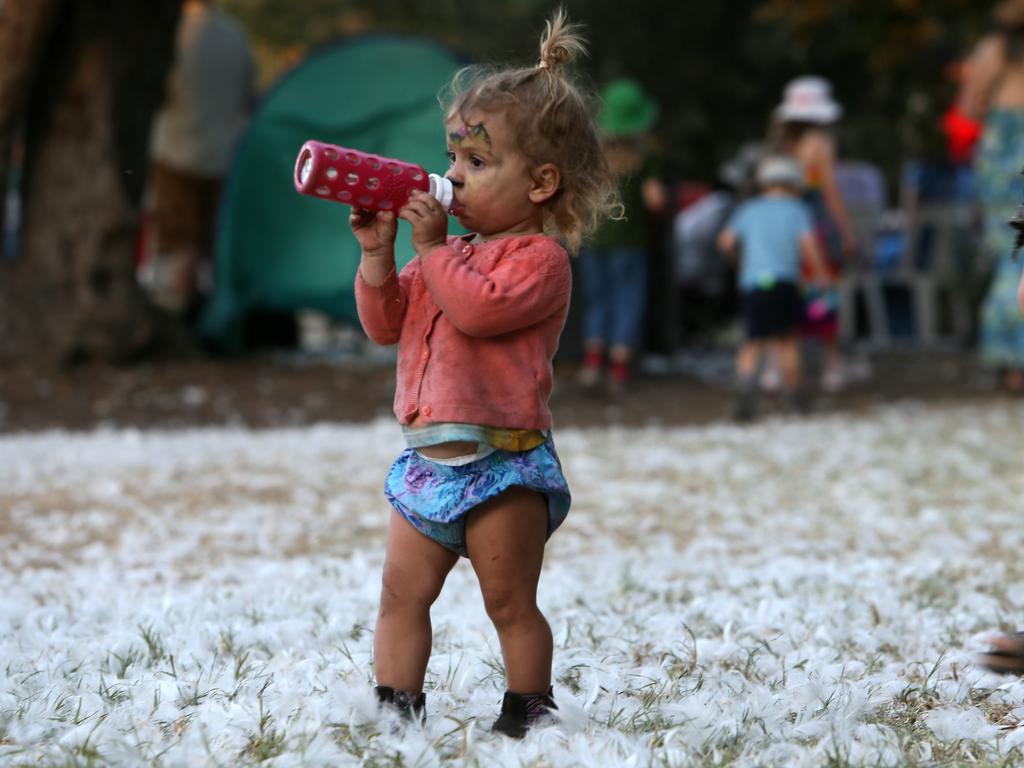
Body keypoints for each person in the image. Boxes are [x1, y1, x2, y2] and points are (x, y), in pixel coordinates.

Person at [350, 11, 617, 737]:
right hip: (426, 460)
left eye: (476, 163)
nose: (452, 177)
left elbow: (476, 313)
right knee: (400, 596)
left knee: (508, 602)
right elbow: (384, 324)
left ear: (540, 182)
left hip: (504, 462)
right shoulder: (447, 252)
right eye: (452, 158)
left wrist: (431, 250)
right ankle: (395, 709)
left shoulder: (540, 261)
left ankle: (528, 710)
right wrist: (379, 256)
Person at [145, 0, 255, 315]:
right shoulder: (235, 36)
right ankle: (208, 312)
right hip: (222, 156)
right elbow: (247, 93)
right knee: (208, 243)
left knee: (178, 240)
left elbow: (157, 91)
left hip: (174, 151)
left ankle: (180, 309)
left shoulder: (173, 33)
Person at [717, 155, 831, 421]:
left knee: (752, 341)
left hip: (753, 282)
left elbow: (725, 241)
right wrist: (822, 273)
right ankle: (795, 397)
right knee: (787, 339)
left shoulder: (748, 209)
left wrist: (742, 263)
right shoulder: (797, 209)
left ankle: (745, 392)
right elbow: (809, 245)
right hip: (784, 282)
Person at [577, 78, 667, 396]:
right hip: (630, 242)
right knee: (627, 299)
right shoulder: (645, 159)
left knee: (597, 300)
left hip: (592, 240)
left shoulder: (591, 157)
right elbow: (655, 200)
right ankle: (618, 367)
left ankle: (591, 364)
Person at [769, 76, 857, 393]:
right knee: (822, 292)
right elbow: (829, 189)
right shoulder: (820, 143)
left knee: (784, 289)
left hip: (782, 228)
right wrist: (846, 231)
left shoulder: (779, 146)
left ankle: (779, 366)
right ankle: (832, 364)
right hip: (814, 228)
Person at [958, 0, 1024, 393]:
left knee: (1011, 252)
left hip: (1001, 150)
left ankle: (1010, 360)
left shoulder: (991, 50)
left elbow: (968, 107)